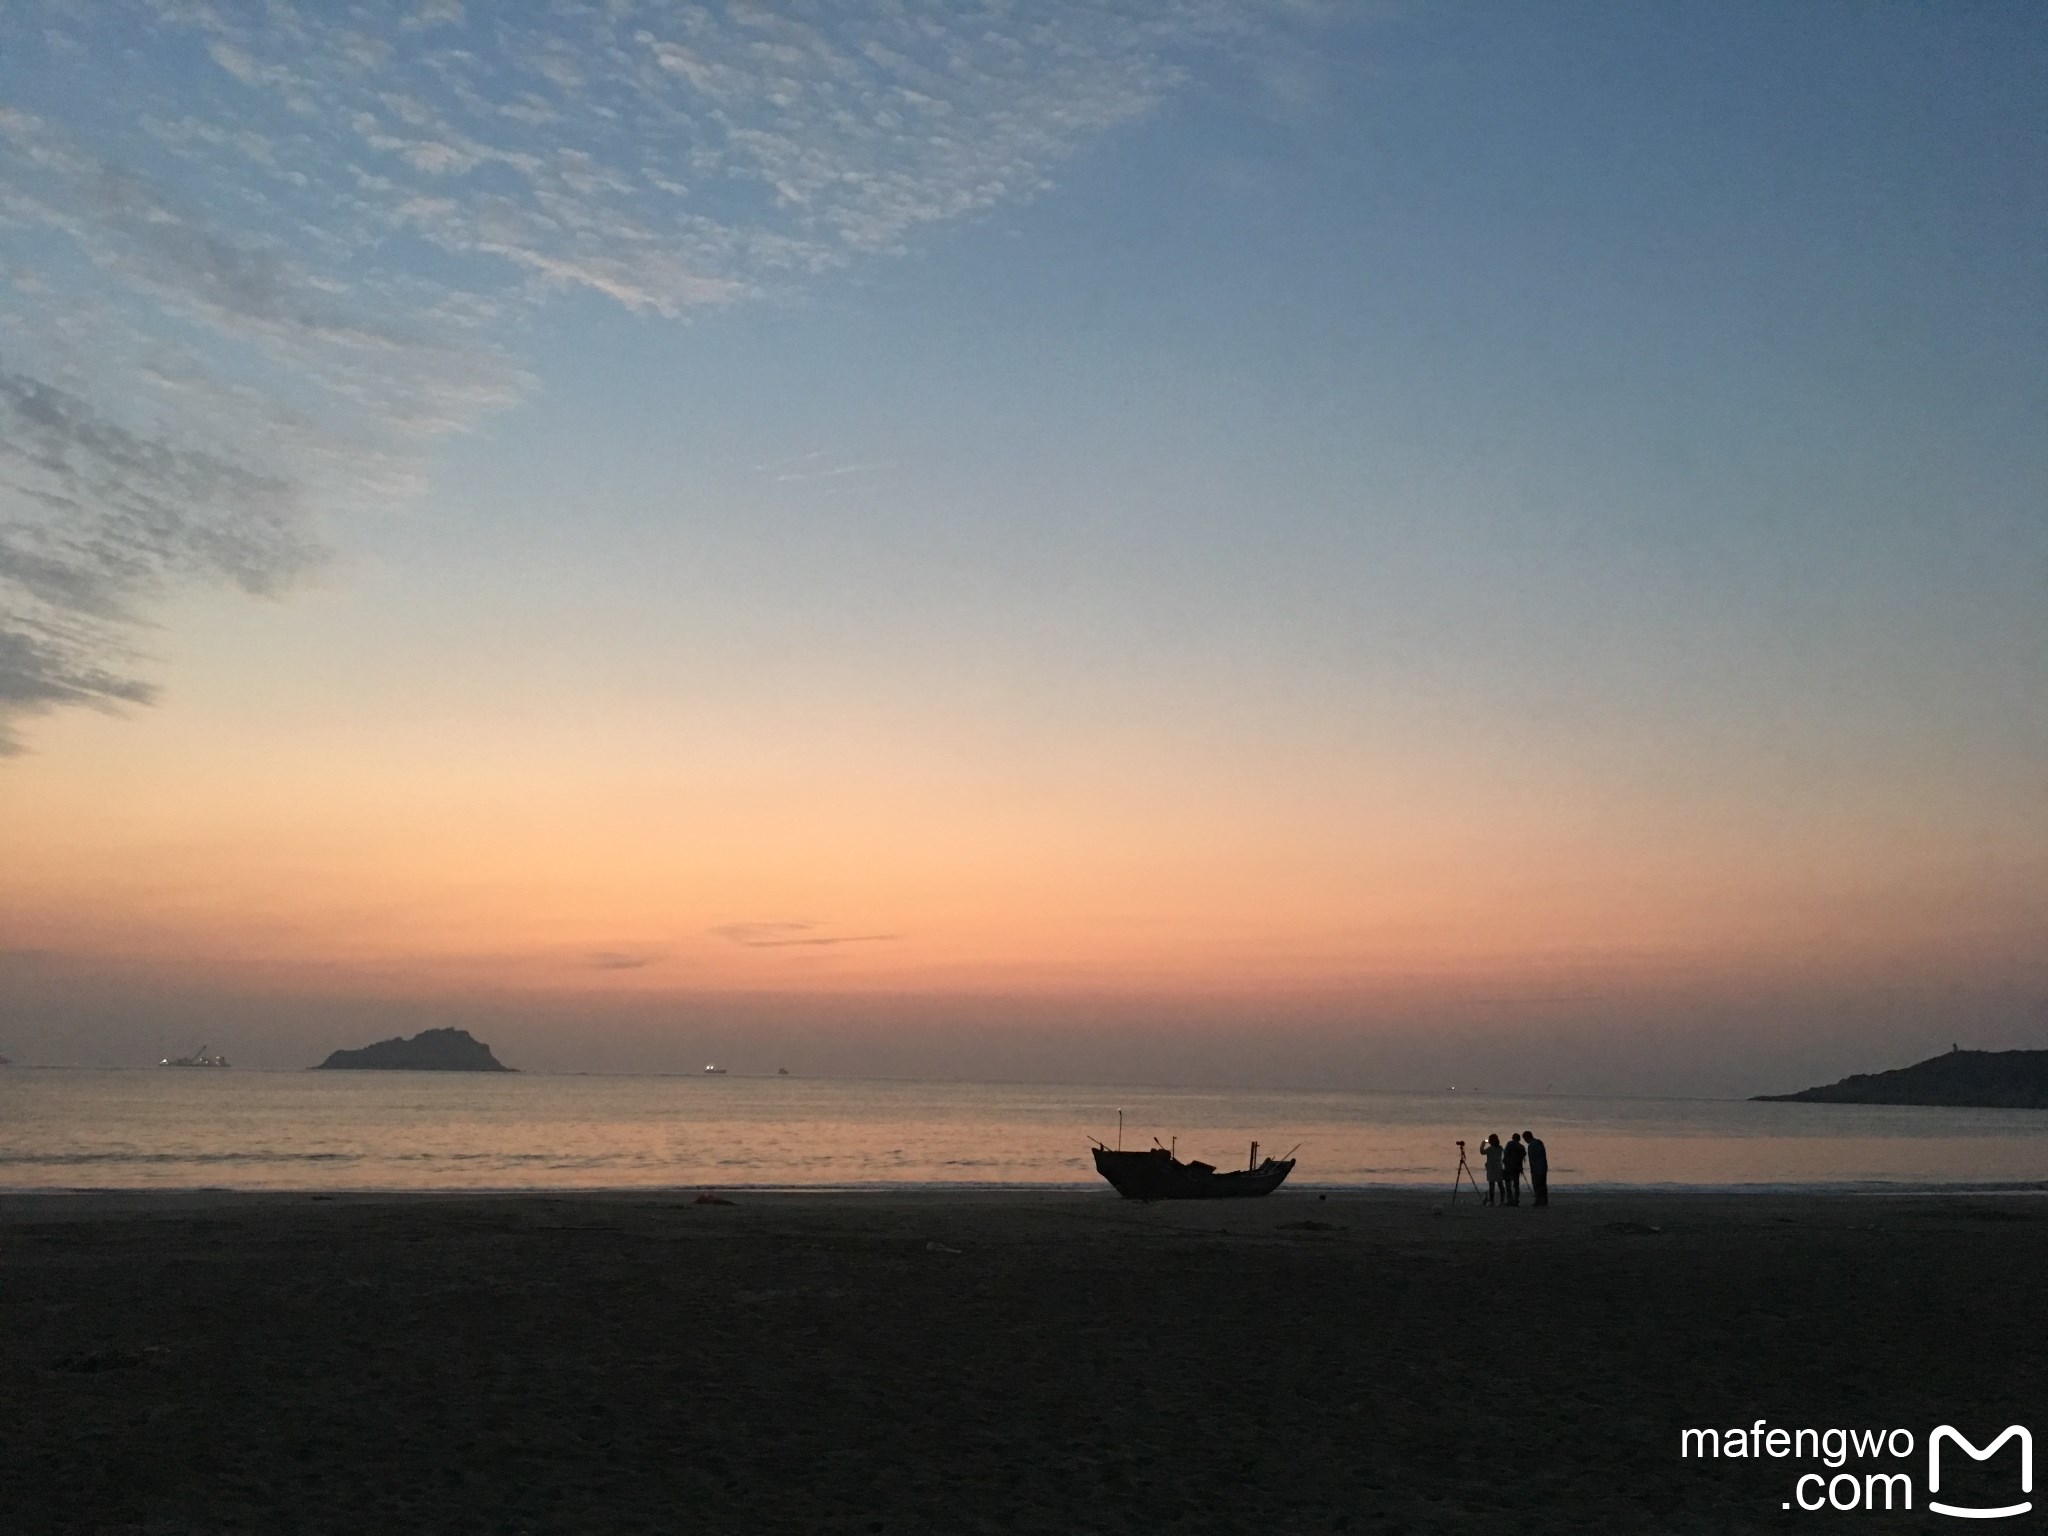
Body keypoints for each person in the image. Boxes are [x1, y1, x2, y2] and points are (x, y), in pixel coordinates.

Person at [1523, 1130, 1548, 1206]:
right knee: (1543, 1185)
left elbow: (1532, 1159)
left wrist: (1532, 1169)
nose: (1525, 1140)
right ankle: (1544, 1201)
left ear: (1527, 1137)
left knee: (1537, 1185)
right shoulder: (1539, 1142)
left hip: (1536, 1168)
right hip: (1543, 1166)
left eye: (1525, 1139)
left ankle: (1538, 1201)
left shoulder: (1531, 1145)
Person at [1502, 1132, 1526, 1206]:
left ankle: (1510, 1200)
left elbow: (1505, 1153)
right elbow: (1523, 1156)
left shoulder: (1509, 1144)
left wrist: (1504, 1162)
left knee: (1508, 1184)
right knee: (1516, 1184)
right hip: (1517, 1167)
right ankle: (1516, 1200)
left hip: (1508, 1167)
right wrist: (1521, 1168)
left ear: (1512, 1138)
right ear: (1519, 1139)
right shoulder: (1521, 1147)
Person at [1482, 1133, 1503, 1206]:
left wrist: (1483, 1143)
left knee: (1491, 1184)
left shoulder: (1490, 1149)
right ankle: (1502, 1201)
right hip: (1498, 1167)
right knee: (1500, 1184)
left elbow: (1482, 1152)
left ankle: (1492, 1201)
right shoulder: (1500, 1148)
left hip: (1492, 1168)